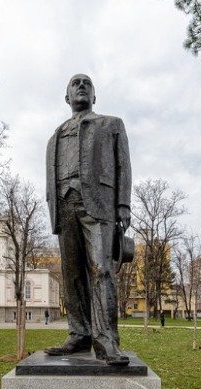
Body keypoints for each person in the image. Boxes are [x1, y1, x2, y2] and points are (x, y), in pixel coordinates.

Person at [44, 74, 131, 366]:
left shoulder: (111, 124)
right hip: (64, 206)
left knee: (102, 269)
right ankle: (79, 333)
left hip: (100, 204)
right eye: (75, 83)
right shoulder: (54, 137)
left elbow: (123, 164)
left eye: (87, 83)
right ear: (67, 97)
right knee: (72, 274)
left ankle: (106, 341)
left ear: (94, 96)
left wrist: (123, 204)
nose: (81, 86)